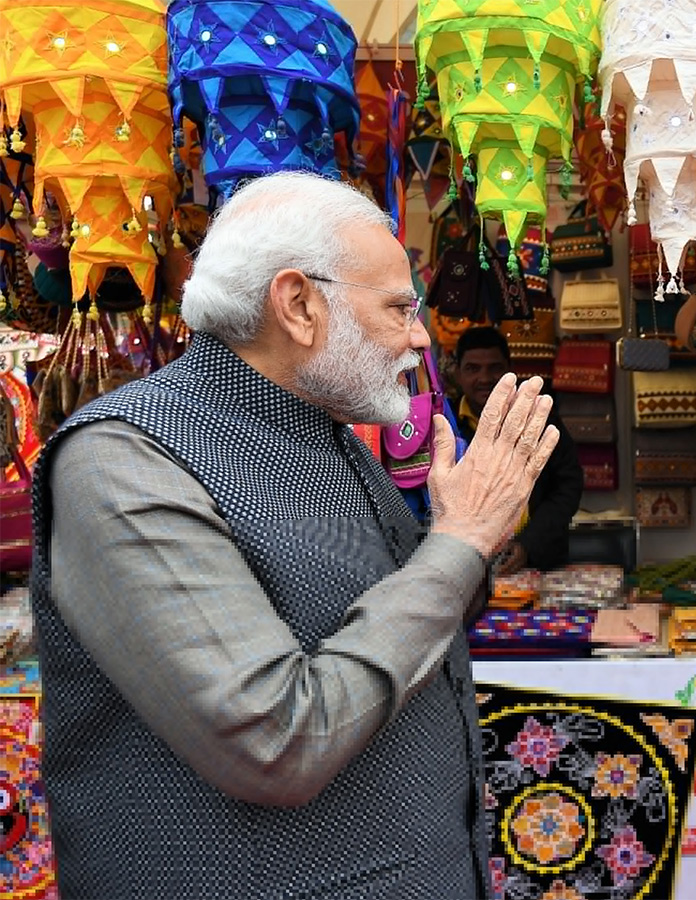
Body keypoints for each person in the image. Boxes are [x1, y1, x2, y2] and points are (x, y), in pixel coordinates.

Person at [29, 171, 561, 899]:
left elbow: (410, 618)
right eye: (400, 308)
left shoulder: (329, 433)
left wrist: (461, 528)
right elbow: (277, 741)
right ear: (299, 304)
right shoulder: (124, 461)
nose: (418, 337)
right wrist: (460, 540)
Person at [453, 326, 583, 574]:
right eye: (472, 369)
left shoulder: (540, 418)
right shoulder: (444, 424)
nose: (484, 378)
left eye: (495, 368)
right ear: (457, 373)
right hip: (463, 565)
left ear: (509, 370)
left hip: (537, 560)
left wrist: (528, 545)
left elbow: (568, 485)